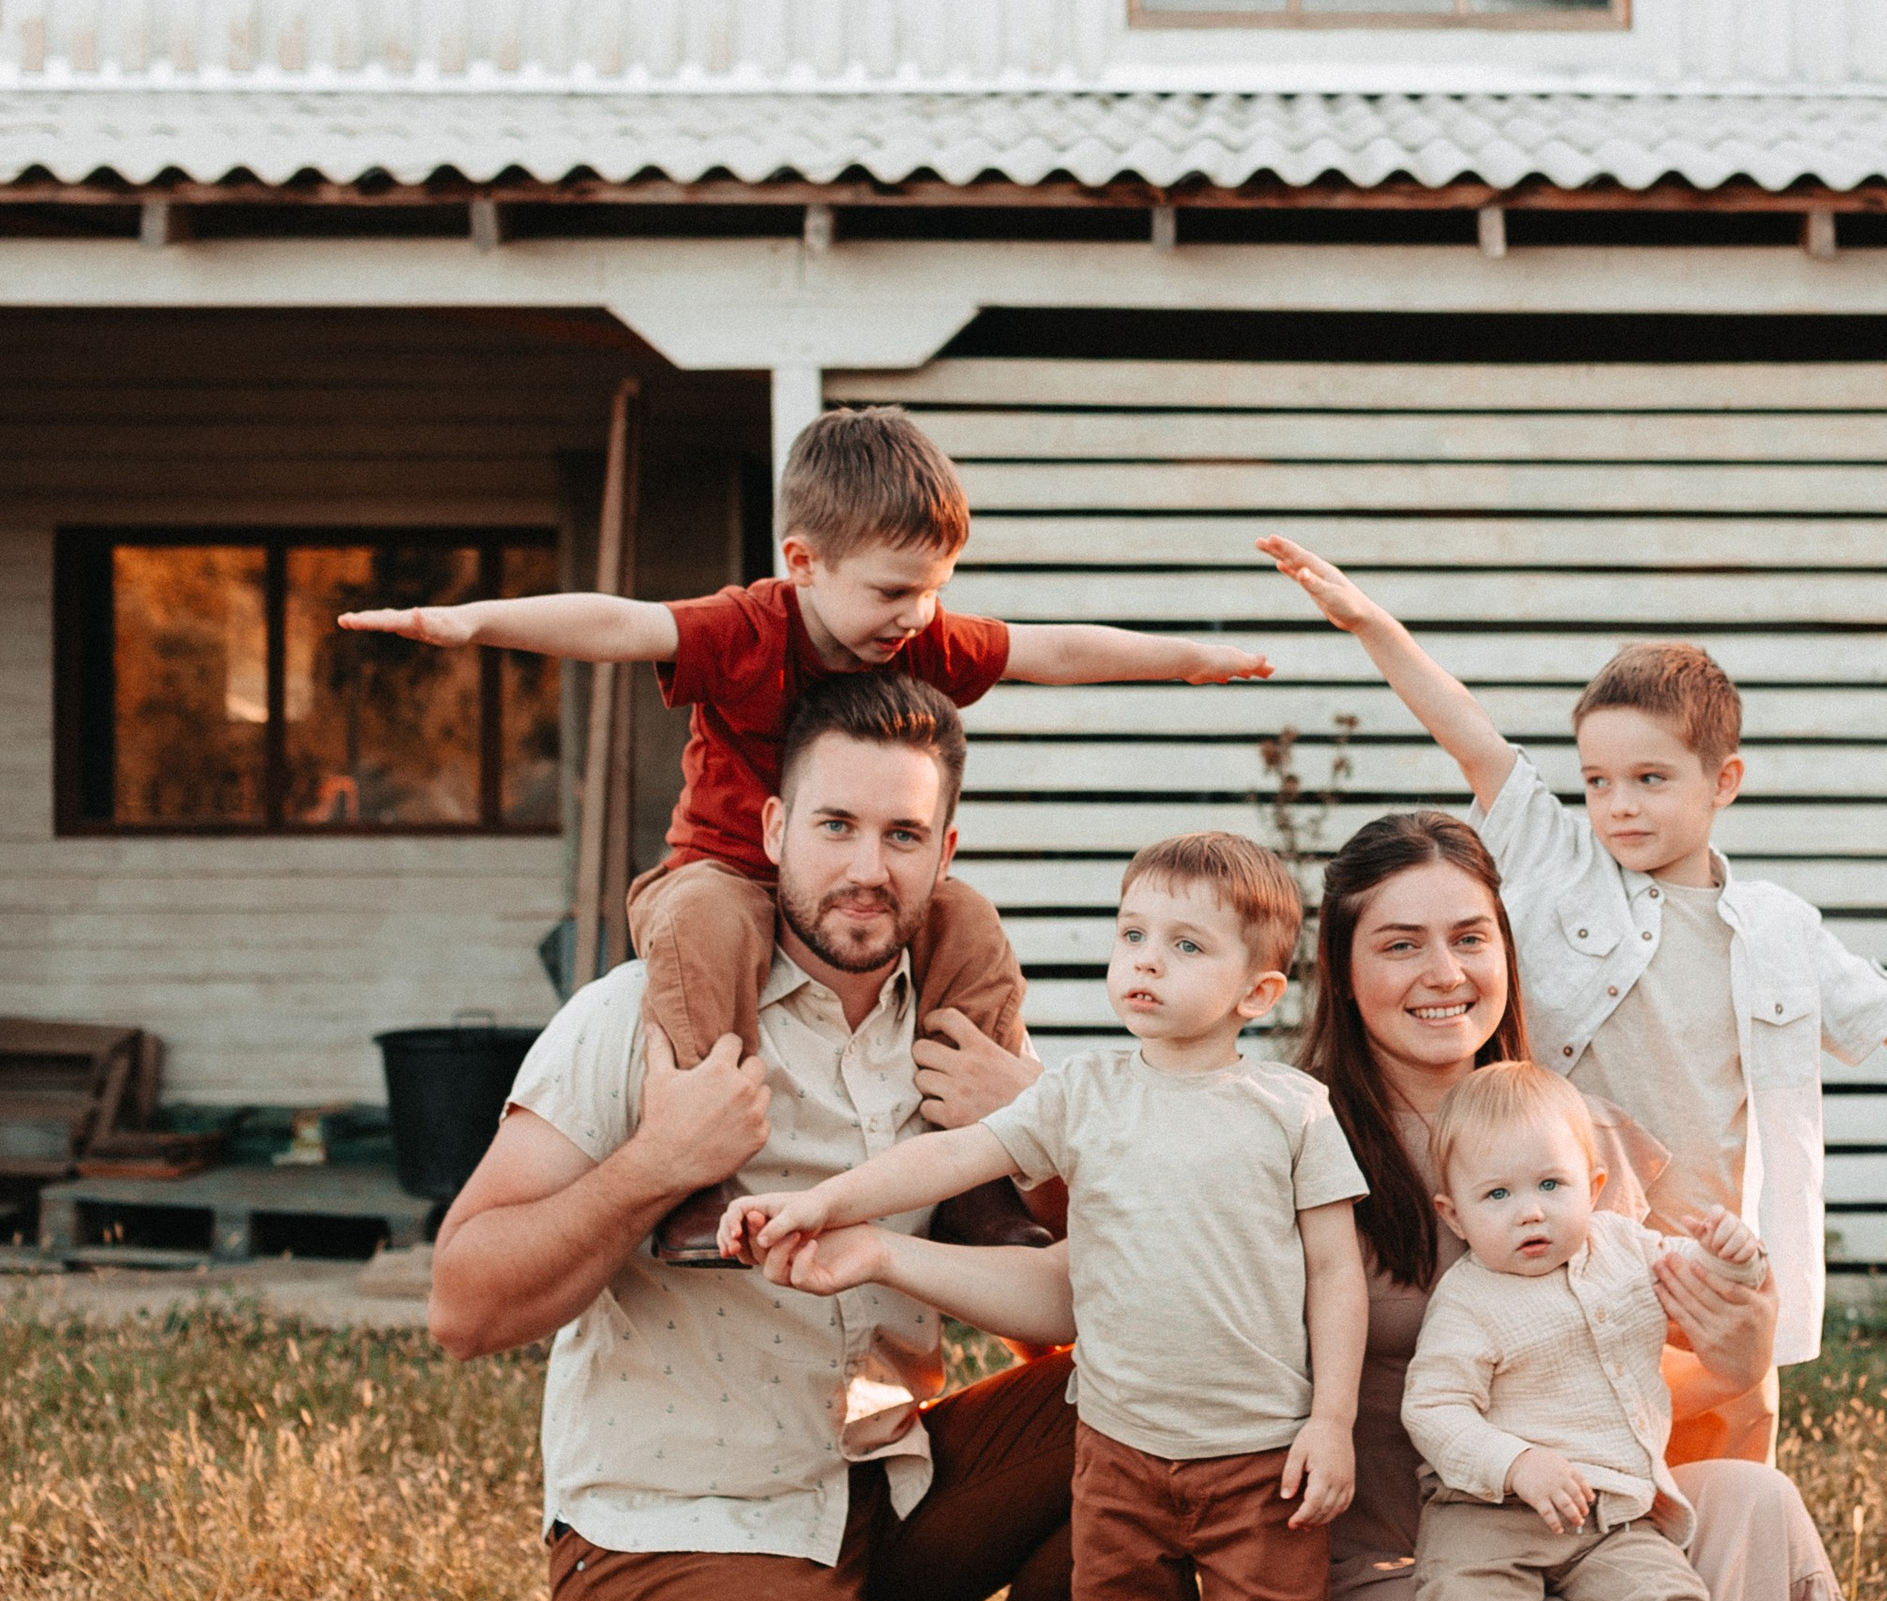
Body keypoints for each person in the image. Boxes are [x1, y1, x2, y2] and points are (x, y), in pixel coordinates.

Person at [429, 669, 1083, 1601]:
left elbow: (1063, 1317)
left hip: (871, 1486)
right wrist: (654, 1168)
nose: (866, 867)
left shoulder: (962, 1040)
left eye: (901, 836)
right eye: (835, 827)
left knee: (1145, 1414)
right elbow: (463, 1302)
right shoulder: (638, 1022)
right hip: (673, 1530)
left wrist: (1032, 1138)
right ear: (776, 832)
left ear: (944, 852)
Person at [348, 401, 1273, 1252]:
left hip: (849, 896)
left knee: (971, 922)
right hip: (716, 873)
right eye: (889, 591)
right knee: (712, 919)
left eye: (932, 590)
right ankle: (694, 1187)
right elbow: (618, 624)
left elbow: (1055, 647)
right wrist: (469, 622)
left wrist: (1191, 659)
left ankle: (975, 1181)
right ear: (803, 563)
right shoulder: (747, 627)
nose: (912, 616)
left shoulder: (923, 635)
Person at [721, 832, 1369, 1601]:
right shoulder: (1083, 1094)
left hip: (1258, 1465)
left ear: (1259, 990)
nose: (1144, 964)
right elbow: (949, 1157)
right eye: (1131, 936)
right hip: (1118, 1458)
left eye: (1184, 946)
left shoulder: (1290, 1110)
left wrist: (1330, 1420)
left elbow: (1336, 1275)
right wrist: (823, 1202)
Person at [1263, 540, 1887, 1433]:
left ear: (1723, 782)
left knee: (1728, 1444)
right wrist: (1367, 621)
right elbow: (1468, 730)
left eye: (1650, 779)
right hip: (1564, 1231)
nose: (1619, 805)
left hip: (1708, 1254)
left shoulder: (1777, 930)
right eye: (1599, 781)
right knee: (1583, 1439)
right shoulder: (1561, 861)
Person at [1304, 809, 1887, 1601]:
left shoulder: (1573, 1133)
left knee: (1750, 1503)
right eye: (1399, 945)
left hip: (1581, 1524)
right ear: (1342, 965)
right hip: (1400, 1566)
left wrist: (1732, 1340)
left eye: (1470, 937)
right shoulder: (1298, 1137)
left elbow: (1672, 1385)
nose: (1442, 973)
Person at [1393, 1060, 1844, 1601]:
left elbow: (1706, 1285)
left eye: (1551, 1184)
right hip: (1486, 1509)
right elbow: (1434, 1412)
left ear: (1594, 1183)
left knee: (1665, 1599)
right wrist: (1516, 1461)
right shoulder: (1469, 1301)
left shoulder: (1625, 1249)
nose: (1529, 1210)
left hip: (1609, 1511)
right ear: (1453, 1214)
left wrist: (1737, 1261)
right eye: (1497, 1197)